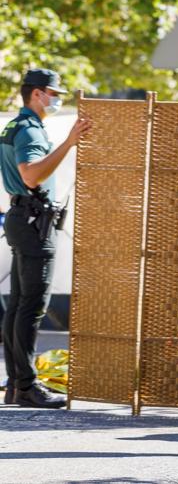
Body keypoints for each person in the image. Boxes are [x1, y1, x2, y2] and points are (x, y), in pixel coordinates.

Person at [1, 69, 89, 408]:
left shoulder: (16, 127)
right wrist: (69, 142)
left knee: (19, 305)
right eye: (54, 93)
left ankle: (16, 383)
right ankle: (26, 385)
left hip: (23, 217)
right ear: (36, 94)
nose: (57, 98)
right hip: (34, 222)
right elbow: (32, 175)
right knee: (32, 307)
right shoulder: (29, 130)